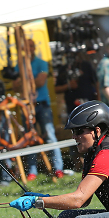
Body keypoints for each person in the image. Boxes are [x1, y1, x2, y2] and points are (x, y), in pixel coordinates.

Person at [22, 38, 64, 181]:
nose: (29, 50)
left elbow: (40, 81)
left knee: (50, 136)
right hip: (27, 106)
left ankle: (58, 168)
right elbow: (16, 85)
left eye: (31, 47)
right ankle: (32, 171)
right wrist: (28, 79)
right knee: (29, 139)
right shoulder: (20, 65)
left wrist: (25, 78)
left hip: (42, 104)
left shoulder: (41, 62)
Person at [54, 51, 99, 118]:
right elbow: (56, 89)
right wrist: (68, 86)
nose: (73, 57)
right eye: (70, 55)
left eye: (75, 54)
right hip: (73, 108)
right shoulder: (64, 69)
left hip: (89, 105)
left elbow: (96, 83)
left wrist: (98, 99)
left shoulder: (86, 66)